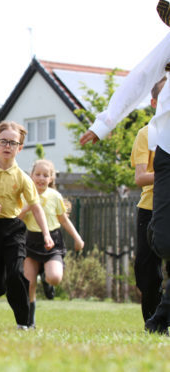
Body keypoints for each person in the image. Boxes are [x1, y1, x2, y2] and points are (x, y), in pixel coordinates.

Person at [80, 1, 170, 334]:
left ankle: (161, 316)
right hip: (169, 150)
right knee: (163, 241)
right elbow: (141, 77)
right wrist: (105, 123)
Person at [0, 121, 54, 330]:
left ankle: (24, 323)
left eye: (13, 143)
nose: (8, 146)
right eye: (3, 141)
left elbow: (35, 207)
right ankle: (5, 283)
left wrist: (46, 234)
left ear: (20, 148)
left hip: (13, 229)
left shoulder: (23, 178)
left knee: (17, 274)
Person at [19, 159, 84, 328]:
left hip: (52, 241)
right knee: (29, 283)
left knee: (54, 277)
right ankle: (29, 321)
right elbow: (15, 219)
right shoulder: (25, 195)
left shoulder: (55, 196)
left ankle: (47, 281)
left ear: (51, 178)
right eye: (38, 174)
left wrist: (78, 238)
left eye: (45, 175)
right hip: (30, 242)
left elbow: (63, 220)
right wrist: (25, 209)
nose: (41, 178)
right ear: (31, 176)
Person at [130, 77, 170, 325]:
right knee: (147, 273)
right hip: (150, 208)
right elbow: (140, 177)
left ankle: (161, 321)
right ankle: (151, 319)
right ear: (155, 102)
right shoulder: (147, 134)